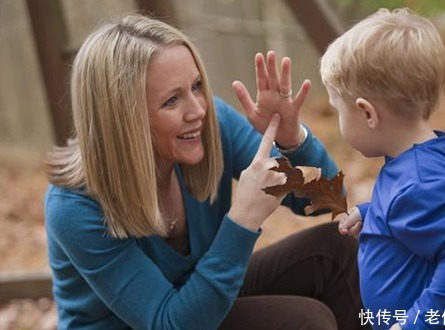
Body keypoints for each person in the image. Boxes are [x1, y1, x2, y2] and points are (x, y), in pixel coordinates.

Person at [43, 14, 365, 329]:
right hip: (158, 320)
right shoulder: (74, 205)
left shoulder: (212, 127)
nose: (198, 109)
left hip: (199, 298)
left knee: (336, 250)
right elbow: (169, 322)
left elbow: (329, 200)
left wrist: (293, 139)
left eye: (196, 86)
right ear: (124, 120)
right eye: (172, 100)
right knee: (305, 322)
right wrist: (241, 221)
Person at [320, 7, 445, 330]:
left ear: (367, 114)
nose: (338, 121)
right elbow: (420, 218)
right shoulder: (418, 162)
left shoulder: (419, 181)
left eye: (337, 110)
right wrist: (372, 215)